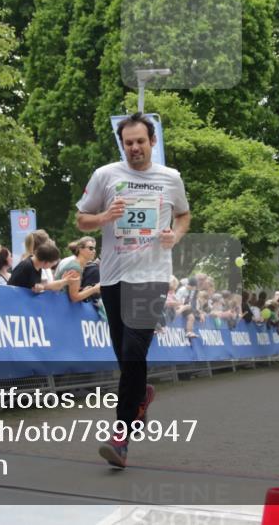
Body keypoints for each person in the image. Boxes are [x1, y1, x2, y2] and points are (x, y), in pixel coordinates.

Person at [76, 112, 190, 469]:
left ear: (152, 141)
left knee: (132, 351)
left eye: (141, 141)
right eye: (128, 143)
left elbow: (184, 215)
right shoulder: (105, 175)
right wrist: (104, 217)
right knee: (125, 356)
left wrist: (175, 235)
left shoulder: (170, 178)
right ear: (122, 144)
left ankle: (120, 437)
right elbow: (81, 219)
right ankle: (140, 397)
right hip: (113, 277)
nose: (135, 148)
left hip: (152, 277)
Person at [7, 241, 76, 292]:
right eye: (52, 263)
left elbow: (46, 286)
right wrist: (64, 281)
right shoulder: (27, 266)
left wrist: (63, 281)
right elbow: (44, 286)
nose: (53, 265)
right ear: (46, 262)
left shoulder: (36, 266)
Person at [58, 237, 102, 304]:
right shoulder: (76, 267)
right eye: (91, 248)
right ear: (81, 250)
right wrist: (94, 289)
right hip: (61, 303)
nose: (94, 251)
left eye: (94, 248)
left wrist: (83, 290)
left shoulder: (78, 265)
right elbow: (74, 298)